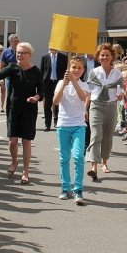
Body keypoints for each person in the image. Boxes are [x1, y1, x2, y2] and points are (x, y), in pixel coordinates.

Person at [0, 42, 43, 184]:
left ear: (29, 55)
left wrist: (35, 98)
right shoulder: (12, 67)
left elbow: (41, 91)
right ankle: (14, 161)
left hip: (29, 109)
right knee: (12, 141)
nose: (20, 55)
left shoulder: (36, 71)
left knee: (26, 141)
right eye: (18, 52)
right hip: (13, 108)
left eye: (23, 52)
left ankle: (25, 171)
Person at [53, 55, 90, 205]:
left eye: (79, 68)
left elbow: (83, 97)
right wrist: (64, 84)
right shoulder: (61, 82)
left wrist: (74, 82)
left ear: (83, 70)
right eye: (73, 67)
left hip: (79, 125)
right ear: (69, 68)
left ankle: (78, 190)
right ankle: (64, 188)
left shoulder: (85, 85)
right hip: (63, 125)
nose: (76, 70)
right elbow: (55, 102)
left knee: (78, 157)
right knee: (64, 158)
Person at [85, 43, 123, 179]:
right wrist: (85, 109)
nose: (104, 57)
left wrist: (120, 95)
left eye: (107, 55)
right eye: (102, 55)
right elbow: (88, 92)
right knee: (96, 134)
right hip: (96, 105)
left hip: (111, 106)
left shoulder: (117, 73)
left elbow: (121, 89)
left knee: (107, 136)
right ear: (98, 57)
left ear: (112, 57)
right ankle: (93, 167)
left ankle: (104, 162)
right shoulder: (94, 72)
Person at [40, 46, 67, 131]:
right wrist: (40, 84)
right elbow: (42, 71)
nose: (53, 49)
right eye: (51, 47)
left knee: (58, 103)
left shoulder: (63, 57)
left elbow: (66, 70)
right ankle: (47, 124)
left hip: (58, 83)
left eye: (54, 47)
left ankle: (57, 121)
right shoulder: (45, 57)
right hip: (48, 83)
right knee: (47, 104)